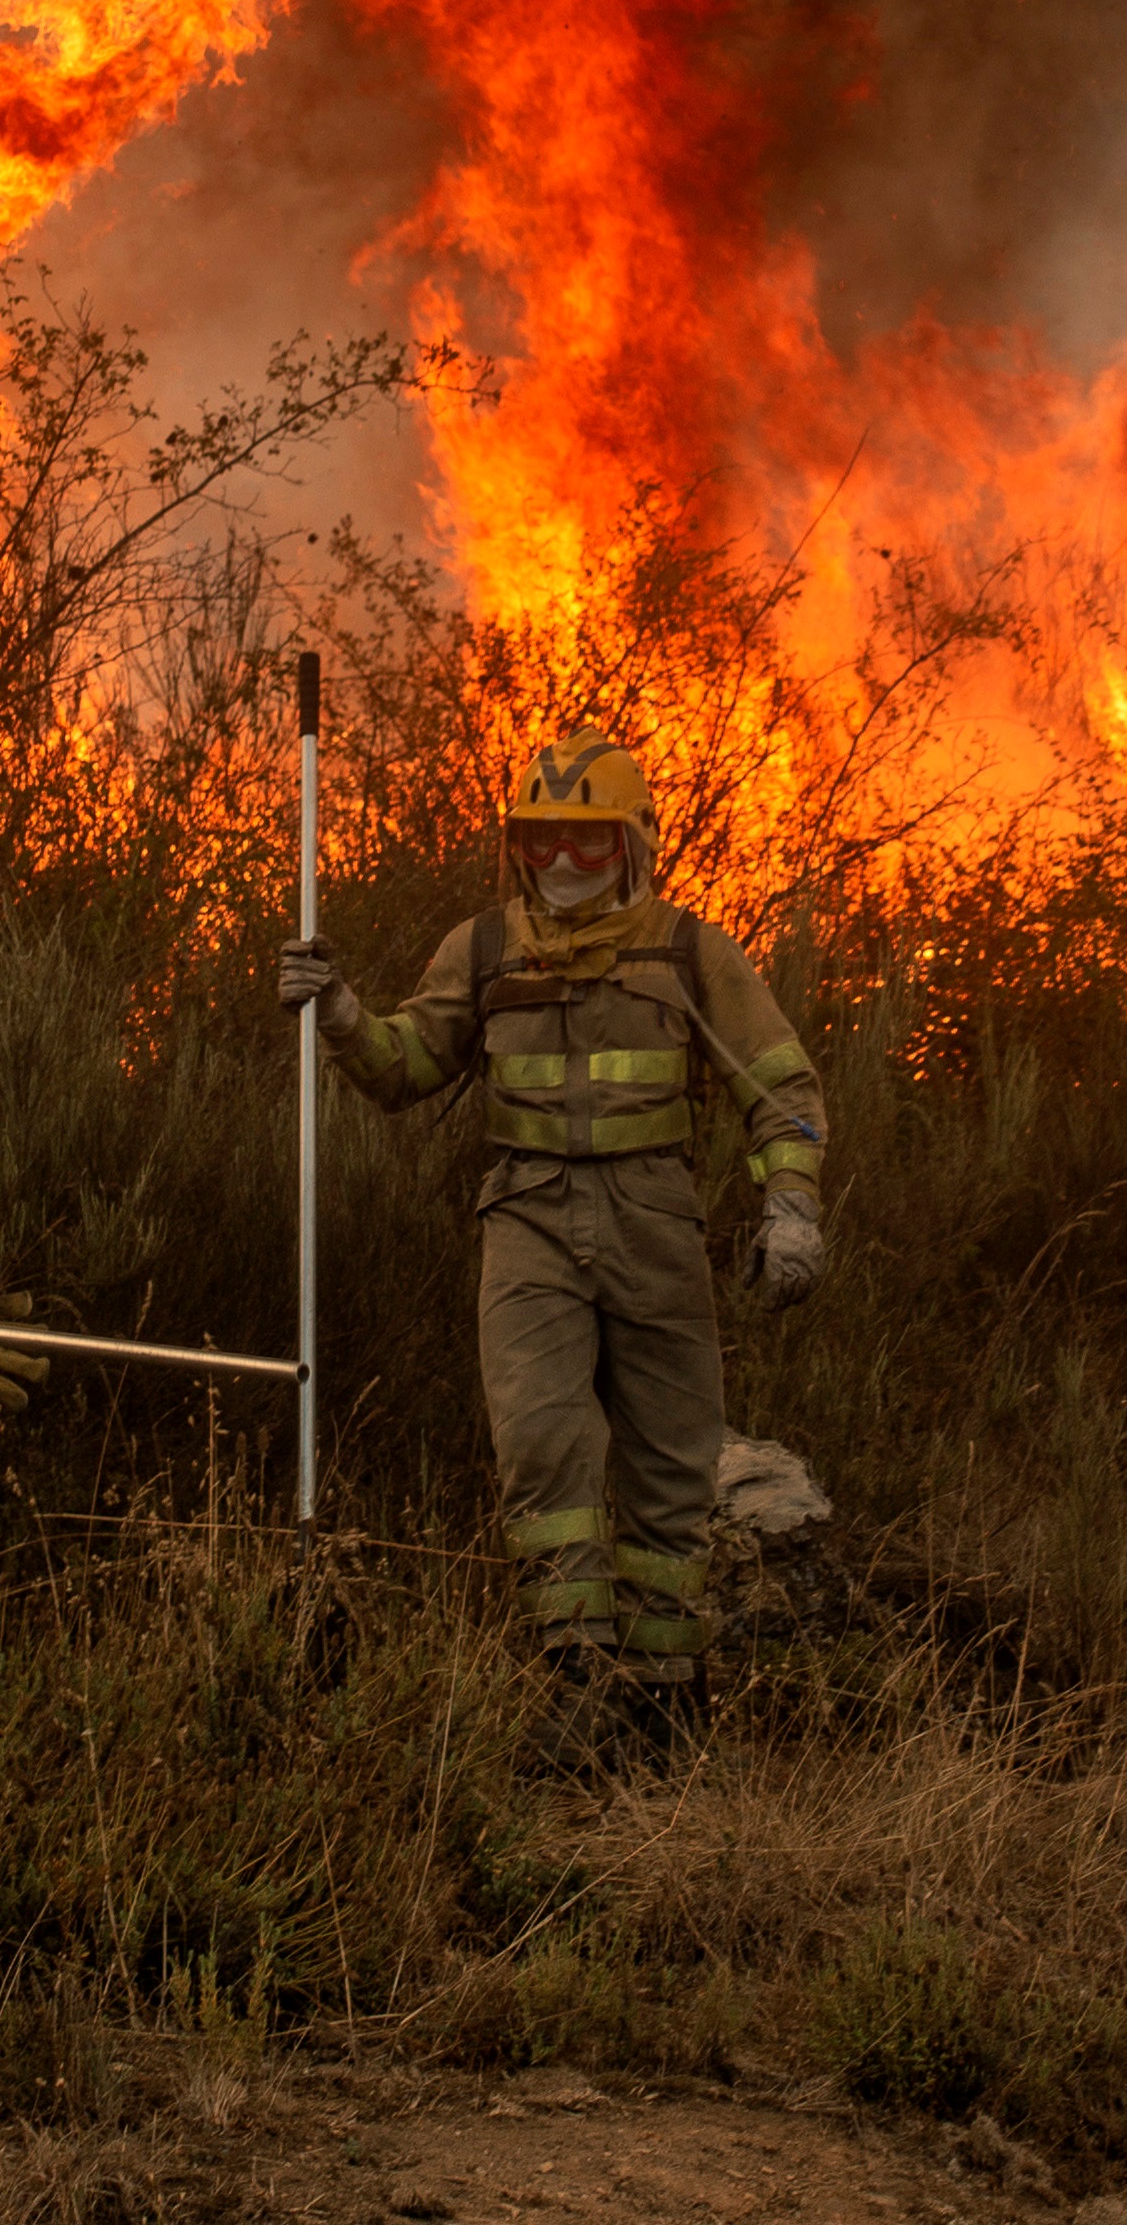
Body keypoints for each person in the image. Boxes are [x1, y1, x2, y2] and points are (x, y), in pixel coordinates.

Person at [277, 734, 829, 1760]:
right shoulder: (482, 948)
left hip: (656, 1227)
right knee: (541, 1447)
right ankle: (577, 1680)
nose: (562, 864)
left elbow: (781, 1087)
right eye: (540, 843)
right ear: (516, 849)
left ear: (632, 843)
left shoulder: (691, 950)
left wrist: (790, 1205)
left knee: (672, 1466)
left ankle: (661, 1704)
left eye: (585, 841)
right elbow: (406, 1065)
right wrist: (345, 1015)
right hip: (526, 1224)